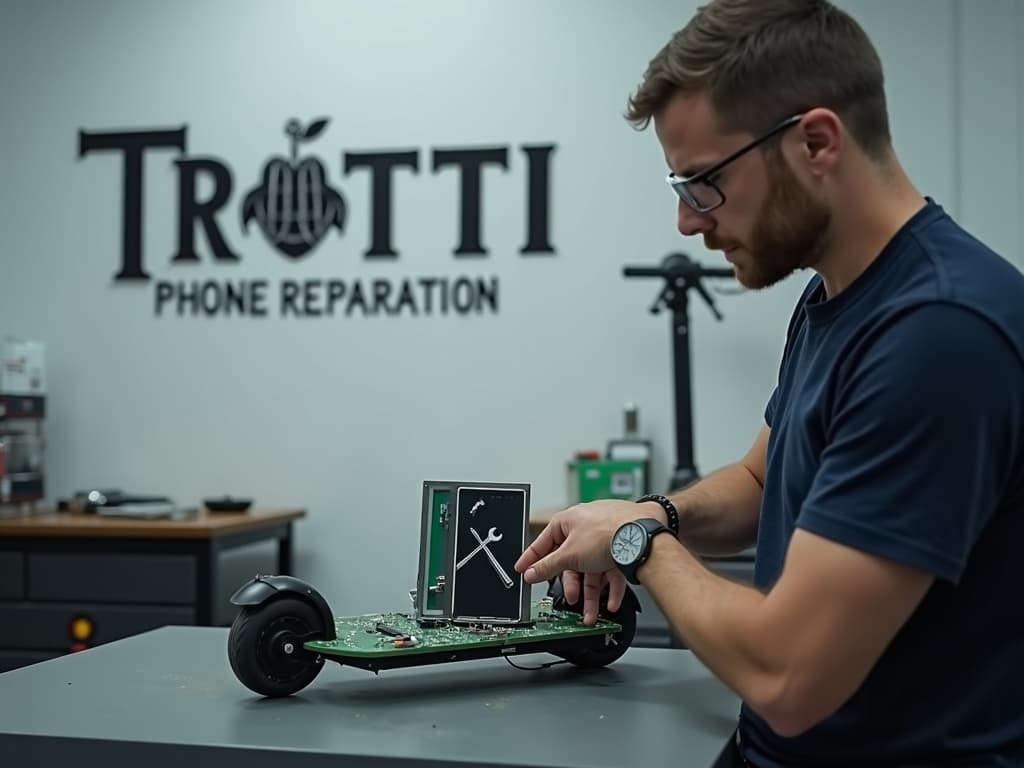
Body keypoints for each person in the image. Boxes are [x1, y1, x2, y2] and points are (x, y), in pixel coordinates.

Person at [514, 1, 1024, 765]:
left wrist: (637, 543)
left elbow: (789, 675)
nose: (690, 223)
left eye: (703, 183)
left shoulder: (939, 334)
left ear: (816, 141)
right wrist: (652, 510)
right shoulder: (835, 296)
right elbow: (763, 478)